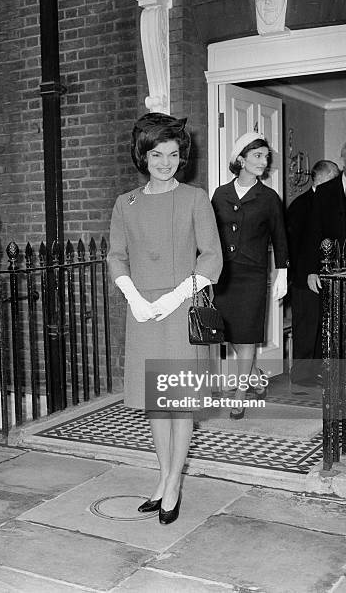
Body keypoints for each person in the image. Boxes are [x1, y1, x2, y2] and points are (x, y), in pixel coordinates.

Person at [107, 113, 222, 525]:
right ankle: (163, 478)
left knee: (179, 404)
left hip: (182, 307)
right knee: (156, 405)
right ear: (143, 156)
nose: (165, 162)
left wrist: (176, 295)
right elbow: (116, 255)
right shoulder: (127, 203)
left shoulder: (195, 198)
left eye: (173, 154)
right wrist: (134, 297)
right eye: (157, 154)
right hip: (144, 313)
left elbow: (212, 256)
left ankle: (173, 484)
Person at [211, 132, 288, 419]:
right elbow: (209, 234)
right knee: (230, 332)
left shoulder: (269, 198)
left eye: (266, 156)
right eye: (257, 155)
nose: (264, 161)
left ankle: (240, 395)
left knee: (246, 336)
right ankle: (255, 374)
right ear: (240, 159)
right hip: (224, 275)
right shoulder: (220, 194)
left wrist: (282, 270)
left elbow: (280, 237)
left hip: (253, 275)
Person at [287, 160, 344, 386]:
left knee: (319, 325)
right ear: (319, 179)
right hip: (304, 278)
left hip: (320, 276)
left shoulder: (324, 201)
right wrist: (306, 273)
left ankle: (315, 372)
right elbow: (296, 244)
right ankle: (301, 375)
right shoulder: (302, 204)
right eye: (333, 179)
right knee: (306, 326)